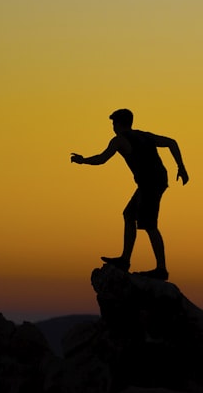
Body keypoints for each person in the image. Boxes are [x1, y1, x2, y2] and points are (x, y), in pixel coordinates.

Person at [70, 109, 189, 280]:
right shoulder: (144, 135)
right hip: (155, 181)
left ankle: (161, 269)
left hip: (151, 183)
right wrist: (181, 167)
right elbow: (172, 142)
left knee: (149, 225)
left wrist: (82, 161)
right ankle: (125, 260)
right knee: (129, 214)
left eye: (113, 123)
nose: (112, 126)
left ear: (118, 124)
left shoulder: (119, 140)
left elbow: (102, 159)